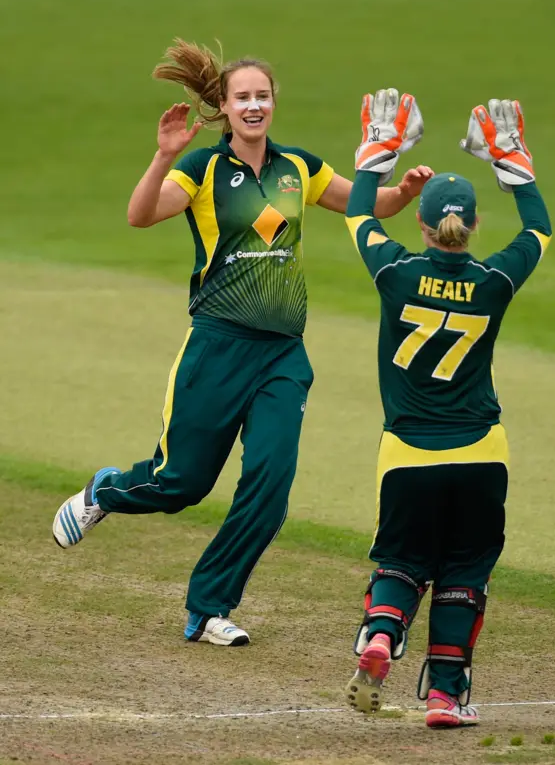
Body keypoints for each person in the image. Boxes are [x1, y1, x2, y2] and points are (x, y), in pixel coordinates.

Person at [52, 41, 431, 647]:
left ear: (274, 103)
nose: (254, 106)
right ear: (224, 107)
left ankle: (208, 609)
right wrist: (161, 156)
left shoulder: (298, 168)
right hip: (217, 347)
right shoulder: (200, 169)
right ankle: (107, 491)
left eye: (262, 96)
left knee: (271, 488)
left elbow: (368, 203)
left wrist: (404, 192)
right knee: (182, 484)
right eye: (242, 98)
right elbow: (140, 215)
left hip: (282, 354)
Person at [342, 92, 551, 727]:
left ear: (424, 225)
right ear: (471, 227)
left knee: (403, 560)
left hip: (407, 453)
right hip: (482, 454)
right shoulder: (495, 283)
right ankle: (442, 697)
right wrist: (512, 163)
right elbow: (538, 230)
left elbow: (357, 215)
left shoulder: (395, 273)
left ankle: (381, 633)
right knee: (464, 569)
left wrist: (379, 154)